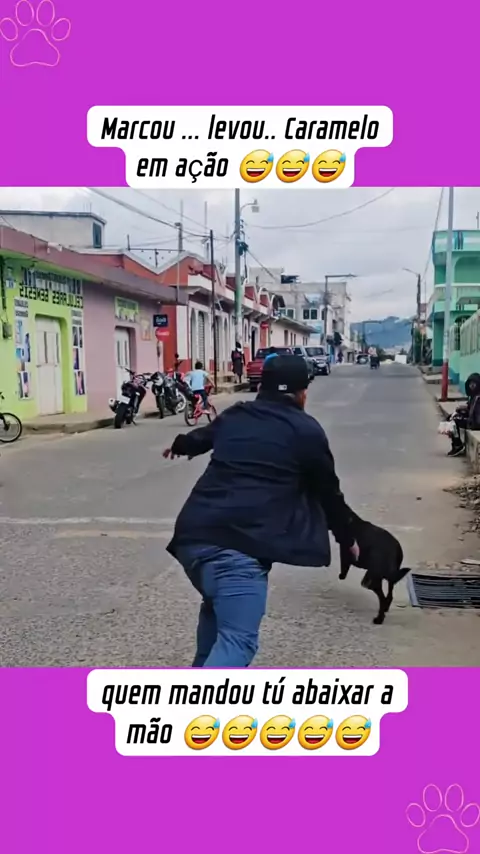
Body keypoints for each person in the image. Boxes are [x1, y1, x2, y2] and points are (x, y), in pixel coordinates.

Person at [163, 355, 359, 668]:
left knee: (217, 618)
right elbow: (329, 493)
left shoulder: (236, 415)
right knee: (238, 641)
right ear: (302, 393)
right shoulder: (306, 430)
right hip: (237, 550)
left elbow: (198, 439)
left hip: (193, 538)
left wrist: (179, 445)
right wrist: (347, 538)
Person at [447, 372, 480, 457]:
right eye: (470, 384)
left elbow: (477, 417)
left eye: (474, 384)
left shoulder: (478, 398)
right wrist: (461, 410)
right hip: (472, 420)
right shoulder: (473, 396)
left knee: (454, 421)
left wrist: (467, 419)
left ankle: (457, 445)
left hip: (475, 423)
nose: (472, 386)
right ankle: (456, 442)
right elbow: (470, 409)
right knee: (451, 417)